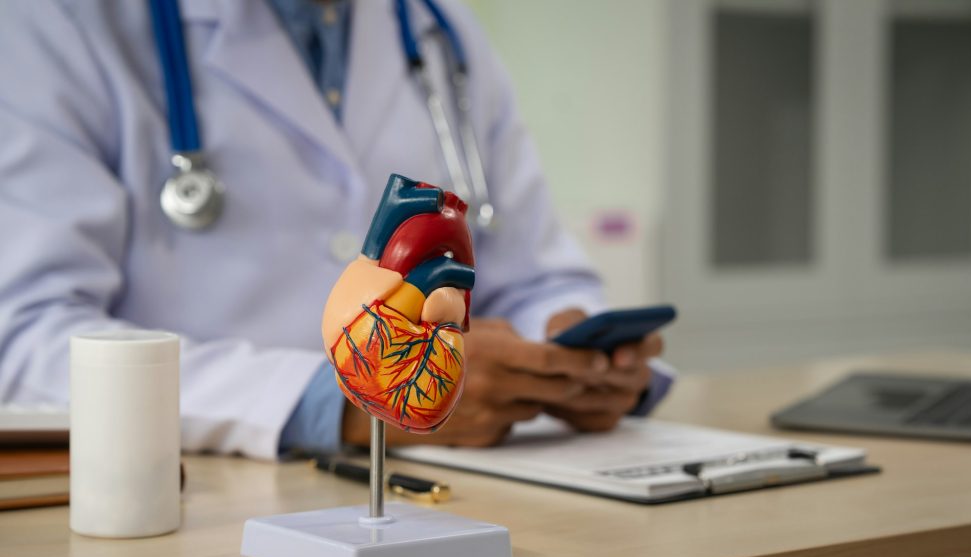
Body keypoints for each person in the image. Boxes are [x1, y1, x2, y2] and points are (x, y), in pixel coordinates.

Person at [0, 0, 670, 459]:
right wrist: (345, 400)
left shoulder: (439, 31)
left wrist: (577, 357)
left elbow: (531, 276)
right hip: (194, 508)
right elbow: (26, 343)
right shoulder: (58, 24)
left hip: (458, 489)